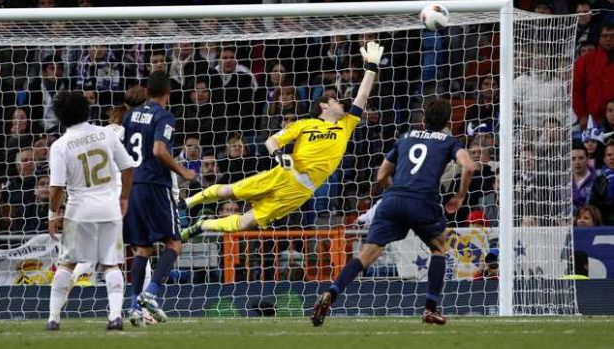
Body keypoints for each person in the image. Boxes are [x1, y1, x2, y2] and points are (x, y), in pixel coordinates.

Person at [181, 42, 384, 238]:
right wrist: (279, 155)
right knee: (231, 191)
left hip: (302, 189)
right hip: (284, 173)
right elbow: (271, 141)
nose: (341, 104)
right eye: (335, 101)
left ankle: (202, 225)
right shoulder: (304, 124)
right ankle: (189, 201)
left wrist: (371, 66)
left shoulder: (346, 124)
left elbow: (363, 94)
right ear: (324, 106)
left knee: (245, 223)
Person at [310, 98, 475, 327]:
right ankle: (430, 308)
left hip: (393, 200)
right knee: (440, 248)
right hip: (422, 201)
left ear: (423, 118)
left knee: (365, 256)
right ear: (447, 121)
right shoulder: (449, 141)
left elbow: (380, 176)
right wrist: (460, 196)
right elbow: (469, 166)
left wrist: (396, 194)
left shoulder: (405, 137)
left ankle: (331, 292)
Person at [46, 91, 134, 331]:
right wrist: (124, 197)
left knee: (68, 262)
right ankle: (115, 317)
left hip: (79, 211)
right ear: (87, 109)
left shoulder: (59, 145)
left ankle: (53, 318)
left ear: (60, 117)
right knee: (112, 264)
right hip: (109, 207)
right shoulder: (106, 133)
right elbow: (127, 167)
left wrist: (53, 215)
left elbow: (56, 189)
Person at [122, 71, 196, 326]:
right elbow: (158, 150)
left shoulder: (130, 115)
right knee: (174, 243)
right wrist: (184, 171)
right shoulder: (164, 115)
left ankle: (133, 306)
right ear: (168, 93)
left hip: (134, 186)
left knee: (142, 248)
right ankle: (152, 293)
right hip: (155, 184)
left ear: (146, 91)